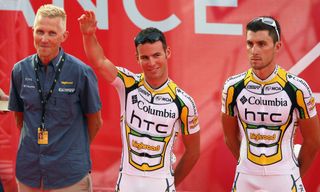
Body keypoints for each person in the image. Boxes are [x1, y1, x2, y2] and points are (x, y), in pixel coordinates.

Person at [78, 11, 200, 192]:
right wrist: (88, 35)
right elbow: (100, 61)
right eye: (145, 57)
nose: (151, 62)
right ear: (137, 58)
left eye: (156, 55)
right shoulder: (128, 84)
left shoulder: (183, 102)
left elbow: (193, 152)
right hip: (127, 182)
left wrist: (172, 182)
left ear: (167, 52)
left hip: (161, 183)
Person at [8, 4, 102, 191]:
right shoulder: (19, 70)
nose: (44, 39)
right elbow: (20, 118)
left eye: (52, 33)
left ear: (63, 37)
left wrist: (71, 148)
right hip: (30, 172)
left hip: (70, 176)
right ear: (32, 31)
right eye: (40, 31)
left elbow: (95, 121)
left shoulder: (81, 73)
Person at [221, 16, 320, 191]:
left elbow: (313, 141)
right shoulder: (232, 87)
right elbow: (229, 137)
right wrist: (249, 166)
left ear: (277, 47)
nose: (254, 50)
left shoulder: (297, 88)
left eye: (261, 44)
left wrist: (292, 174)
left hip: (284, 176)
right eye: (250, 44)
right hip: (246, 177)